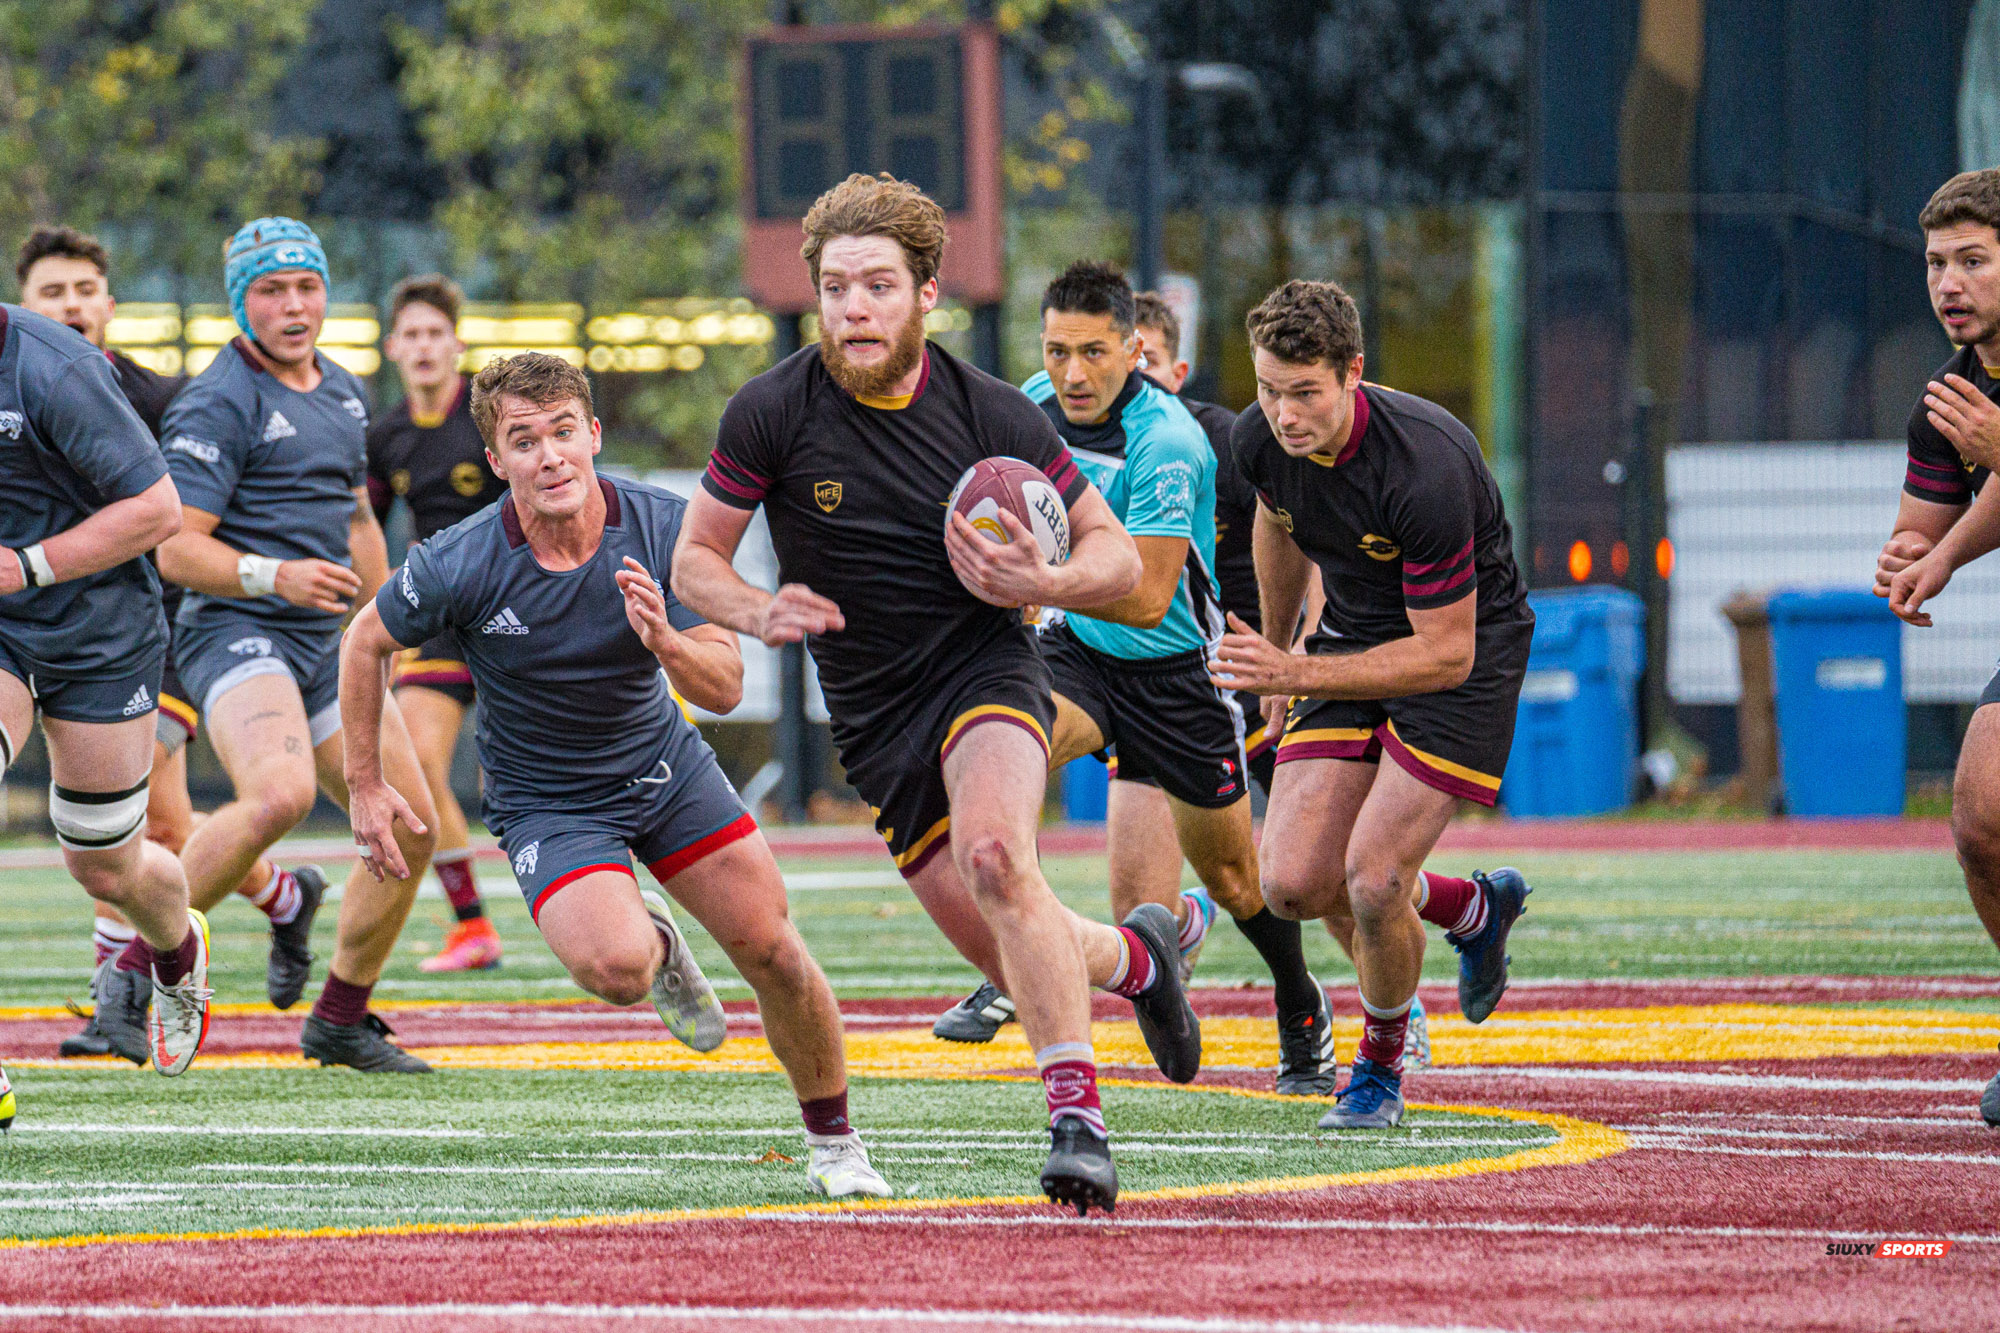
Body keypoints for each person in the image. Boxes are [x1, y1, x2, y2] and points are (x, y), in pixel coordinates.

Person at [673, 173, 1201, 1214]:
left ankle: (1077, 1124)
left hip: (985, 671)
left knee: (1000, 858)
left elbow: (1115, 560)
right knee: (1014, 943)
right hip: (874, 720)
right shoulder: (772, 410)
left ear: (925, 295)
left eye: (876, 285)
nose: (852, 308)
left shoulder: (990, 414)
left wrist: (1040, 584)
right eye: (834, 288)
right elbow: (696, 558)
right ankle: (1141, 958)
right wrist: (753, 607)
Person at [343, 352, 891, 1197]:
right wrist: (367, 785)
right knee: (618, 971)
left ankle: (836, 1143)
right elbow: (363, 642)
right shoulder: (461, 558)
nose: (550, 455)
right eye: (523, 441)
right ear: (496, 461)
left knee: (774, 950)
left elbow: (728, 680)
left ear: (593, 434)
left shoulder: (667, 528)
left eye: (563, 431)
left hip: (664, 770)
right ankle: (659, 941)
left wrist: (667, 644)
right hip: (549, 803)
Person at [930, 263, 1345, 1094]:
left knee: (1235, 879)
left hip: (1174, 671)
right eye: (1056, 352)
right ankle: (1014, 954)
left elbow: (1150, 597)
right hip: (1072, 653)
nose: (1072, 373)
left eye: (1092, 352)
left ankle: (1300, 1000)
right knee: (998, 759)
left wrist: (1032, 581)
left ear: (1132, 350)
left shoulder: (1170, 441)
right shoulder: (1025, 410)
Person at [1209, 279, 1533, 1129]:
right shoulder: (1259, 438)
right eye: (1269, 389)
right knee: (1290, 882)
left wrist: (1294, 675)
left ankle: (1380, 1068)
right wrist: (1279, 658)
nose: (1283, 413)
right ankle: (1472, 906)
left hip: (1466, 656)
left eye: (1305, 392)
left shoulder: (1425, 464)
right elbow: (1276, 524)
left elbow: (1443, 651)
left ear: (1354, 373)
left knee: (1376, 877)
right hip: (1348, 638)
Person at [157, 217, 438, 1071]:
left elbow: (357, 518)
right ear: (241, 301)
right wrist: (273, 577)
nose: (293, 305)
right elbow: (175, 546)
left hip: (326, 646)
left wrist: (382, 626)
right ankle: (140, 967)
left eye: (306, 287)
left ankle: (341, 1018)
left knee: (413, 823)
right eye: (271, 290)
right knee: (277, 795)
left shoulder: (346, 391)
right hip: (236, 631)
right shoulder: (218, 398)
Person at [1131, 289, 1430, 1074]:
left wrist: (1289, 652)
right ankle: (1192, 936)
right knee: (1174, 890)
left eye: (1143, 363)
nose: (1125, 379)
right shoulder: (1082, 440)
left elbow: (1310, 531)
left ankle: (1385, 987)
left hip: (1257, 667)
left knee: (1312, 864)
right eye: (1092, 358)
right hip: (1162, 676)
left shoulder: (1219, 440)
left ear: (1177, 368)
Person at [16, 225, 294, 1064]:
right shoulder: (29, 370)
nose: (70, 306)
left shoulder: (137, 389)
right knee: (148, 826)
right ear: (25, 301)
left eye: (82, 290)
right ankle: (263, 910)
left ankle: (153, 970)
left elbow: (182, 513)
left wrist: (259, 580)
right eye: (51, 292)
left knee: (129, 841)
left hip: (138, 629)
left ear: (108, 301)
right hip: (19, 621)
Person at [0, 298, 211, 1091]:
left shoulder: (56, 367)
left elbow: (159, 511)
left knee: (104, 861)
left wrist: (29, 564)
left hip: (102, 629)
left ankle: (177, 948)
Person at [1874, 167, 2000, 1129]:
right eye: (1935, 263)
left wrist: (1950, 553)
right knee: (1981, 817)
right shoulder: (1950, 400)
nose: (1948, 282)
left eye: (1973, 260)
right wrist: (1912, 554)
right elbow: (1931, 522)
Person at [366, 275, 507, 973]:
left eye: (435, 334)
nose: (424, 347)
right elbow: (361, 527)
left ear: (457, 344)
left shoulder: (491, 413)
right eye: (411, 335)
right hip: (439, 619)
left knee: (538, 771)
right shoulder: (385, 435)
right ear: (394, 348)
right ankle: (473, 926)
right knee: (417, 765)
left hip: (517, 608)